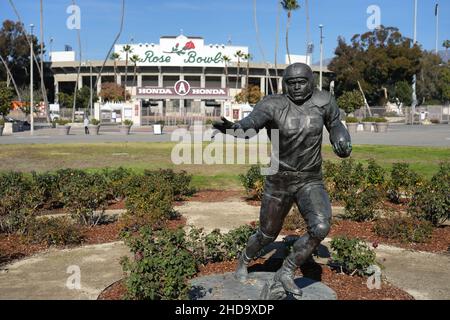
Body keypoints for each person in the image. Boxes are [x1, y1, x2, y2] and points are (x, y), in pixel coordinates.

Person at [213, 63, 352, 298]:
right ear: (284, 84)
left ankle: (287, 270)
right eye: (291, 83)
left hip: (310, 180)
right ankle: (244, 259)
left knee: (320, 226)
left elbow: (336, 123)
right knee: (267, 234)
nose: (297, 87)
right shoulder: (272, 104)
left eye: (302, 82)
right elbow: (251, 124)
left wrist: (342, 138)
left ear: (311, 82)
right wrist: (234, 128)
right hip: (278, 181)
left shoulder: (324, 101)